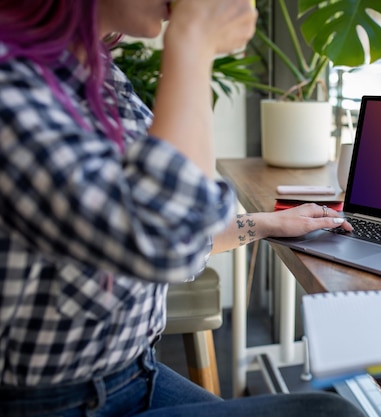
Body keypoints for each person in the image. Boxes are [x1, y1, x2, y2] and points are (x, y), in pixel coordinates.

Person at [0, 1, 362, 416]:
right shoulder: (12, 84)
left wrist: (267, 223)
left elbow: (169, 221)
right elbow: (164, 239)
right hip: (49, 402)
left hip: (133, 372)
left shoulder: (93, 71)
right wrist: (192, 42)